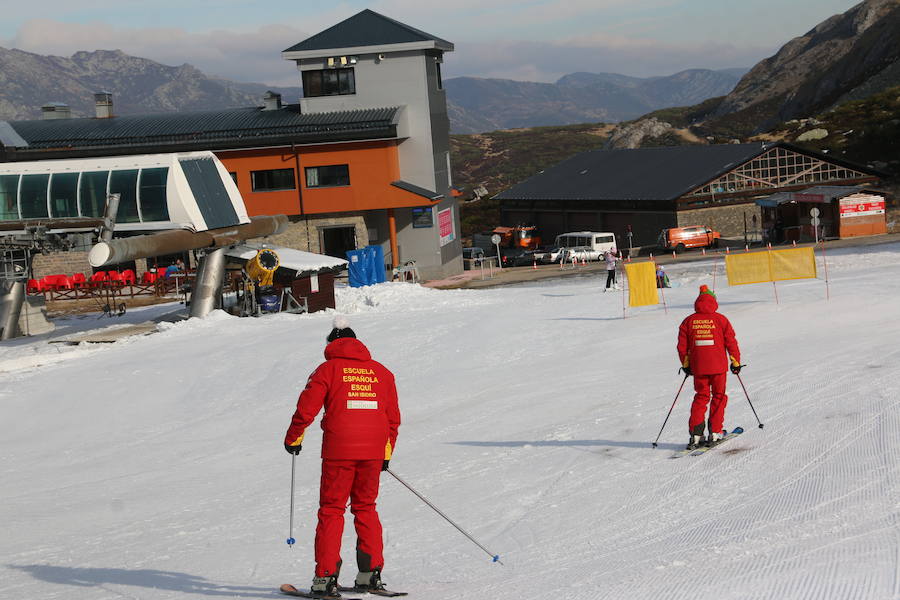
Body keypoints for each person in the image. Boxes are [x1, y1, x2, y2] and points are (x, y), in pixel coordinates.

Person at [284, 316, 400, 598]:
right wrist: (386, 452)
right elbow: (393, 418)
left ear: (332, 344)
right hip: (373, 451)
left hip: (339, 451)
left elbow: (306, 408)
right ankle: (370, 575)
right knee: (366, 507)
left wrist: (293, 437)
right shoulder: (382, 373)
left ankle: (325, 578)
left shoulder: (327, 370)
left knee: (332, 510)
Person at [677, 285, 742, 450]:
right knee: (718, 396)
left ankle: (696, 435)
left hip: (699, 367)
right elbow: (731, 342)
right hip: (718, 367)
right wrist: (735, 362)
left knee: (701, 397)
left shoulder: (688, 321)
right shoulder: (721, 320)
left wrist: (686, 365)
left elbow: (682, 347)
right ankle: (715, 432)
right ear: (714, 301)